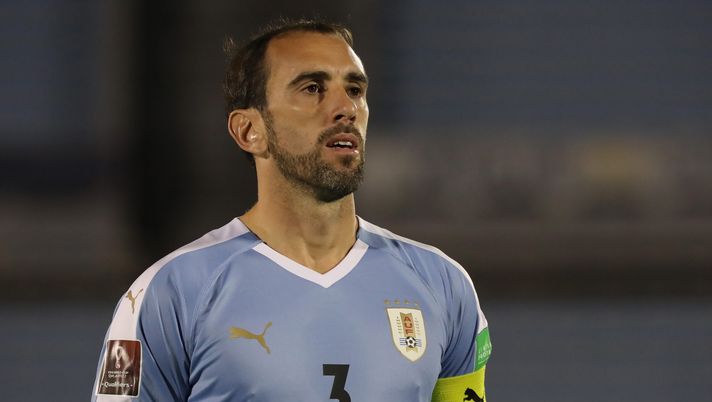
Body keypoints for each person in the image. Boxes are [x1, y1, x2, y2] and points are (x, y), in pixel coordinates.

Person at [91, 19, 491, 402]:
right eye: (313, 88)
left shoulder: (442, 284)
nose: (345, 108)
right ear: (249, 130)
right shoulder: (172, 292)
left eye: (354, 89)